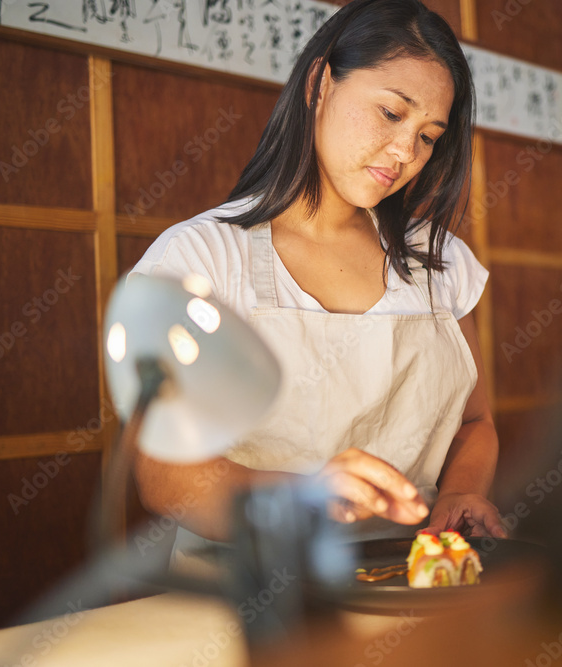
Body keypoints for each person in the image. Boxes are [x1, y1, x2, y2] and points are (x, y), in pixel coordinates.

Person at [129, 0, 506, 569]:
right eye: (390, 113)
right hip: (248, 598)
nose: (406, 152)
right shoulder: (200, 258)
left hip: (406, 583)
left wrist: (457, 494)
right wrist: (300, 497)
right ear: (321, 83)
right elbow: (163, 475)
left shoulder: (440, 262)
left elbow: (474, 424)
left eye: (429, 136)